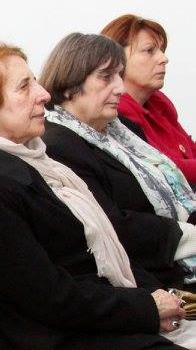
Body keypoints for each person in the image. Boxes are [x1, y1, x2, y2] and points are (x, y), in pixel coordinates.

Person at [0, 44, 196, 350]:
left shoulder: (32, 162)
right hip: (55, 349)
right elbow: (53, 299)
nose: (43, 94)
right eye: (24, 87)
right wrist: (147, 309)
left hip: (84, 325)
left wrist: (159, 297)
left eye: (35, 82)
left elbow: (96, 253)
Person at [40, 32, 196, 289]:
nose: (121, 88)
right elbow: (111, 227)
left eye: (119, 76)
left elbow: (177, 196)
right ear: (69, 85)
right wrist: (190, 236)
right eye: (106, 77)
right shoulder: (59, 146)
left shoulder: (122, 129)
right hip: (151, 279)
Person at [101, 14, 196, 183]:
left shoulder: (159, 104)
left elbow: (190, 151)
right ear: (116, 59)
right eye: (149, 50)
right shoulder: (115, 114)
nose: (164, 58)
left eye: (161, 50)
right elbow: (164, 169)